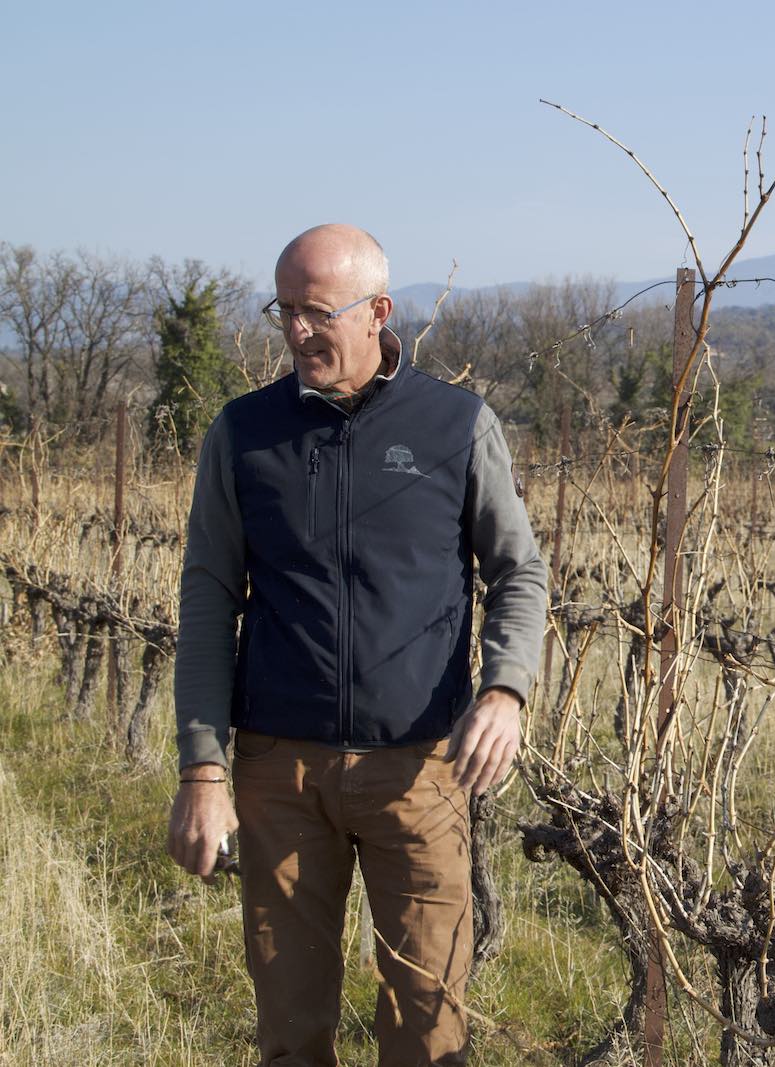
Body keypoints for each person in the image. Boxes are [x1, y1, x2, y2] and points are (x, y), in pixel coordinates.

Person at [166, 224, 547, 1066]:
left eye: (315, 311)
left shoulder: (457, 425)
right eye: (285, 310)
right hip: (280, 773)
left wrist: (506, 688)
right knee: (292, 1033)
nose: (297, 331)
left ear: (377, 311)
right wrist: (203, 767)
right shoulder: (243, 435)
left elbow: (518, 570)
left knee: (426, 1024)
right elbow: (207, 599)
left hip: (417, 772)